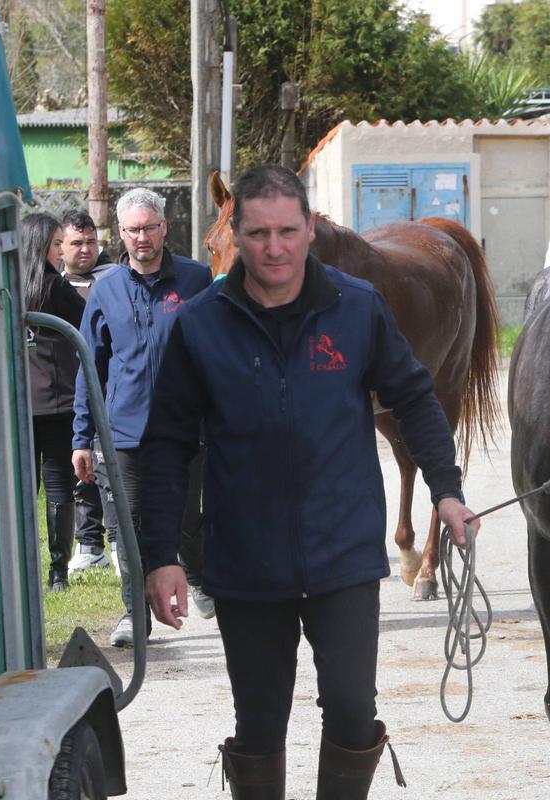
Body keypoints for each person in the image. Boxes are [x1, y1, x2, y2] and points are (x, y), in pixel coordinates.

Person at [139, 164, 480, 800]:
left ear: (310, 229)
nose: (275, 248)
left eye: (288, 232)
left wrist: (447, 489)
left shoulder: (358, 308)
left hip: (343, 555)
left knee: (353, 713)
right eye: (259, 233)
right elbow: (166, 447)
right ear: (235, 233)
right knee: (259, 724)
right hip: (245, 560)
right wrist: (162, 555)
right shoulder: (199, 324)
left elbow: (415, 397)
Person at [71, 188, 213, 647]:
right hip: (125, 433)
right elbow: (90, 366)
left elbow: (220, 354)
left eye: (150, 228)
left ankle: (201, 578)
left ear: (164, 228)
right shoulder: (106, 289)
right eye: (132, 230)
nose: (142, 238)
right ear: (121, 233)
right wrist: (82, 436)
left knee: (186, 521)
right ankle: (137, 615)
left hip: (186, 431)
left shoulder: (196, 280)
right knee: (130, 527)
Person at [23, 212, 87, 591]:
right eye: (58, 243)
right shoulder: (56, 288)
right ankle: (58, 570)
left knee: (23, 487)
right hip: (59, 401)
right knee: (60, 484)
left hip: (17, 403)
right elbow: (88, 324)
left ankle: (21, 563)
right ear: (43, 246)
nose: (63, 251)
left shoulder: (7, 288)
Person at [57, 209, 118, 574]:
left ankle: (115, 543)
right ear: (60, 246)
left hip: (107, 392)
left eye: (91, 242)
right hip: (64, 393)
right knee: (80, 473)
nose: (85, 249)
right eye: (76, 243)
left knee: (106, 468)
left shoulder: (114, 280)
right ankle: (89, 542)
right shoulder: (50, 285)